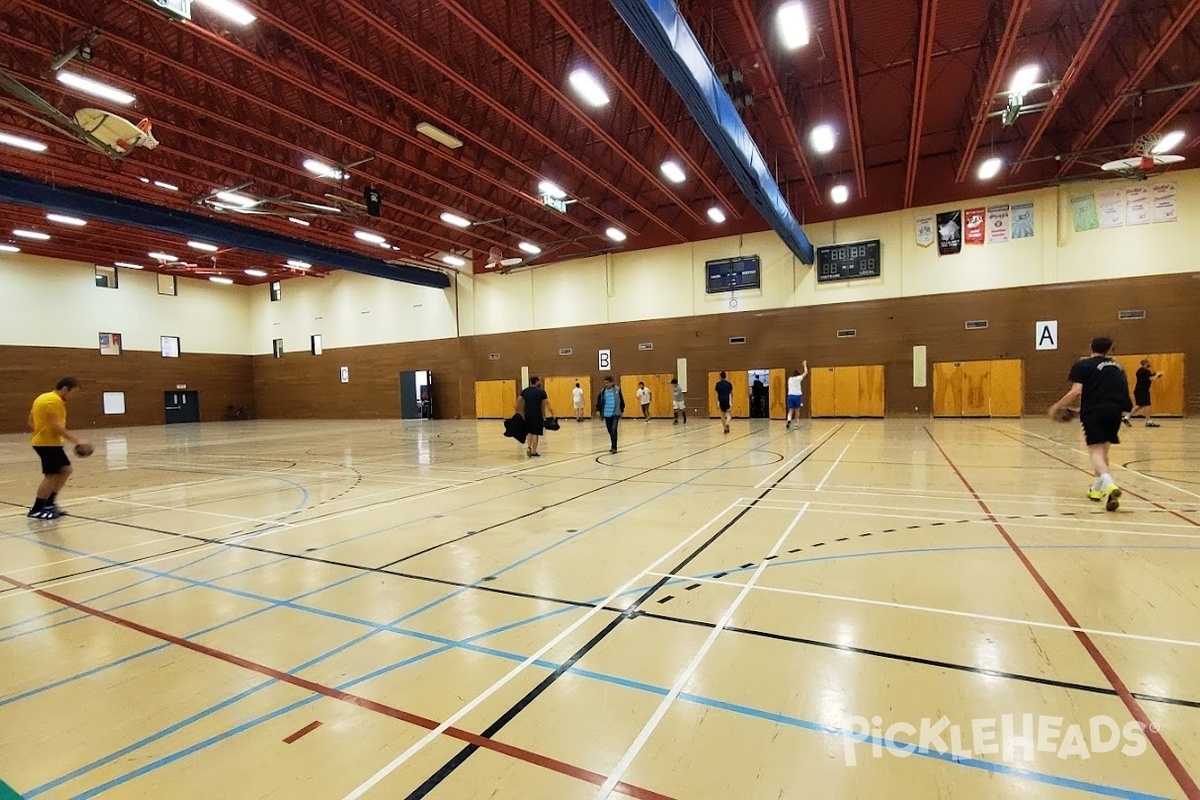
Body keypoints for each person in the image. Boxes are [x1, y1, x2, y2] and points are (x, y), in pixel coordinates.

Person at [1048, 336, 1133, 511]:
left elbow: (1076, 391)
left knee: (1095, 451)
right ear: (1110, 349)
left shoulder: (1083, 365)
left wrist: (1056, 406)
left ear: (1091, 347)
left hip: (1095, 413)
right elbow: (1115, 393)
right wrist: (1079, 412)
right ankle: (1096, 490)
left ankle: (1110, 485)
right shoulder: (1118, 367)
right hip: (1115, 412)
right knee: (1104, 452)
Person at [28, 377, 89, 520]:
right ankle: (37, 509)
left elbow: (30, 419)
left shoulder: (43, 398)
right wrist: (76, 441)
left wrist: (38, 430)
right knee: (51, 476)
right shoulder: (53, 401)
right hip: (47, 444)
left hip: (49, 442)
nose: (72, 397)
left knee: (66, 470)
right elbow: (56, 426)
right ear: (65, 389)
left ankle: (49, 503)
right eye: (72, 393)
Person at [516, 376, 553, 457]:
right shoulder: (541, 392)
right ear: (536, 382)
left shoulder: (525, 391)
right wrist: (552, 413)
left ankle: (528, 446)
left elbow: (518, 401)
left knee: (529, 432)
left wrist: (516, 411)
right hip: (537, 415)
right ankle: (534, 451)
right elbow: (547, 404)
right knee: (536, 433)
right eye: (539, 381)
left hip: (527, 414)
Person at [1125, 359, 1163, 428]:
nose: (1149, 364)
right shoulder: (1145, 371)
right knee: (1147, 405)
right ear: (1146, 363)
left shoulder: (1140, 370)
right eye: (1148, 363)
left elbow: (1148, 376)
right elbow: (1151, 378)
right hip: (1143, 391)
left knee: (1139, 406)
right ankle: (1148, 422)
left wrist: (1155, 375)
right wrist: (1157, 375)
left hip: (1139, 390)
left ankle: (1126, 417)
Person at [596, 375, 625, 453]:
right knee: (609, 430)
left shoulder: (617, 390)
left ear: (612, 382)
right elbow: (599, 402)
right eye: (605, 383)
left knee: (614, 429)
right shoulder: (602, 392)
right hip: (606, 413)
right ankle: (613, 442)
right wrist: (598, 410)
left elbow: (621, 400)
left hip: (615, 413)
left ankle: (614, 447)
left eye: (608, 383)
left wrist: (622, 410)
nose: (606, 384)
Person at [786, 361, 809, 429]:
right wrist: (805, 365)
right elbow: (806, 372)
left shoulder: (789, 379)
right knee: (797, 410)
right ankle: (796, 424)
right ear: (798, 375)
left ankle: (789, 420)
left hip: (790, 396)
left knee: (790, 410)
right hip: (797, 396)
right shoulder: (798, 378)